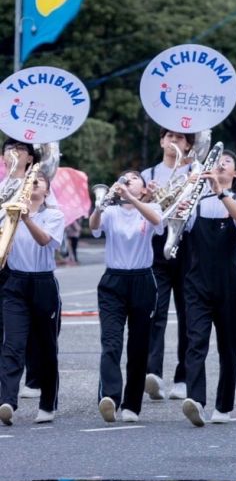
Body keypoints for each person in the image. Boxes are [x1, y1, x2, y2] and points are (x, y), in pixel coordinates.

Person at [178, 152, 236, 427]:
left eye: (227, 162)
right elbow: (168, 227)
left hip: (229, 283)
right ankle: (195, 400)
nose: (220, 163)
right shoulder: (195, 201)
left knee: (228, 348)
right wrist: (184, 192)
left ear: (235, 174)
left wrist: (221, 193)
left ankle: (224, 405)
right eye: (217, 160)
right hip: (196, 281)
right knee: (195, 341)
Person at [89, 171, 164, 423]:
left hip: (143, 280)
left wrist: (133, 198)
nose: (127, 180)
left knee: (138, 345)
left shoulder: (151, 206)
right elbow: (93, 226)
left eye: (133, 178)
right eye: (124, 178)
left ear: (143, 189)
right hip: (113, 280)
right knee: (111, 341)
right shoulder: (111, 211)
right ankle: (109, 396)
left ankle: (132, 404)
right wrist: (102, 204)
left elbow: (157, 221)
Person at [0, 174, 64, 425]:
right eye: (31, 180)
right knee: (12, 345)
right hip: (15, 283)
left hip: (43, 283)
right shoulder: (8, 213)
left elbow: (45, 240)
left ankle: (48, 403)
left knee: (46, 348)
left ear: (47, 191)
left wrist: (25, 218)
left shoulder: (53, 215)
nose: (33, 183)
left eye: (39, 181)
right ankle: (7, 401)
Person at [142, 129, 197, 402]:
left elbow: (198, 215)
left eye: (180, 138)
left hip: (188, 246)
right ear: (161, 140)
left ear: (188, 144)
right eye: (169, 137)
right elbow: (137, 212)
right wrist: (147, 198)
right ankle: (153, 374)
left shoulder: (197, 174)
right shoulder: (148, 175)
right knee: (156, 311)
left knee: (189, 315)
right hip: (157, 247)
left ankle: (184, 377)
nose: (174, 141)